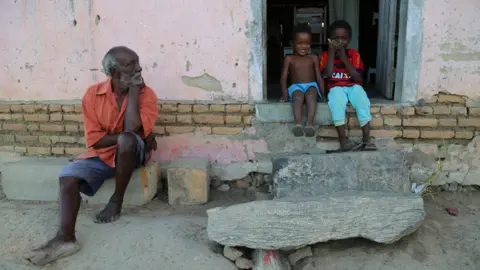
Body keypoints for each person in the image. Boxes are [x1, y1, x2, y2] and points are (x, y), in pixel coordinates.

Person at [23, 46, 159, 266]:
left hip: (135, 154)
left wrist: (134, 92)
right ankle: (66, 238)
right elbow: (95, 140)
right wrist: (120, 138)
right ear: (115, 72)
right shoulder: (92, 95)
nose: (139, 68)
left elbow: (133, 129)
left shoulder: (146, 94)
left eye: (138, 62)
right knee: (67, 178)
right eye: (131, 64)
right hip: (103, 154)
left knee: (127, 140)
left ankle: (117, 200)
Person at [319, 20, 377, 152]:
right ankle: (343, 141)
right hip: (336, 87)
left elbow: (357, 78)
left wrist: (344, 59)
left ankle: (366, 140)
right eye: (335, 39)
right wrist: (332, 53)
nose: (340, 42)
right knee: (336, 103)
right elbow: (327, 74)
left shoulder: (354, 55)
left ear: (349, 40)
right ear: (329, 40)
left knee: (362, 101)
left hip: (354, 86)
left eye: (343, 38)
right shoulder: (325, 55)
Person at [280, 23, 326, 137]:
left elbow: (319, 76)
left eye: (307, 43)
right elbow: (284, 76)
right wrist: (284, 93)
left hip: (312, 85)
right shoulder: (289, 58)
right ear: (292, 44)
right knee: (297, 97)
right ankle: (298, 124)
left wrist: (323, 94)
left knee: (311, 96)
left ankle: (310, 124)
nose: (303, 46)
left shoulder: (314, 57)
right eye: (300, 43)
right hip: (296, 86)